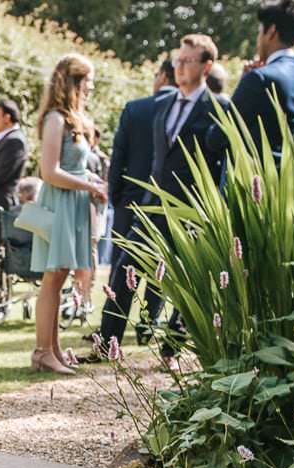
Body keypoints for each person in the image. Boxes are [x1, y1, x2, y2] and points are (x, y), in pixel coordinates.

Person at [103, 35, 231, 363]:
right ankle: (107, 344)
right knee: (123, 271)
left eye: (187, 61)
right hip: (153, 207)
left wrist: (217, 209)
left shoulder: (220, 108)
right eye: (177, 60)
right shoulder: (162, 105)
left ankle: (171, 350)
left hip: (192, 211)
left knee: (190, 285)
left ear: (206, 66)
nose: (180, 67)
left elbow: (225, 167)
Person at [30, 54, 107, 375]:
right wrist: (87, 186)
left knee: (60, 276)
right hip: (59, 203)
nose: (91, 85)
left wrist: (90, 180)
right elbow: (49, 172)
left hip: (73, 202)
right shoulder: (55, 120)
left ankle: (54, 350)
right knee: (52, 278)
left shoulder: (72, 120)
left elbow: (72, 167)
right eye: (87, 79)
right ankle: (41, 352)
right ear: (73, 81)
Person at [91, 59, 177, 346]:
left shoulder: (136, 108)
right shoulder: (183, 110)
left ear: (163, 75)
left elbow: (118, 159)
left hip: (131, 200)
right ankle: (148, 324)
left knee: (123, 266)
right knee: (160, 266)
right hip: (169, 202)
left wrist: (117, 196)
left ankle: (112, 327)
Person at [208, 0, 294, 161]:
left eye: (259, 32)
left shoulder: (259, 78)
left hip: (252, 181)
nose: (258, 40)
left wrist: (244, 82)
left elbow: (217, 137)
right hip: (288, 181)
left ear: (271, 31)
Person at [0, 98, 29, 267]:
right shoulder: (2, 139)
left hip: (0, 204)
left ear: (7, 118)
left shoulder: (15, 141)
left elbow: (0, 174)